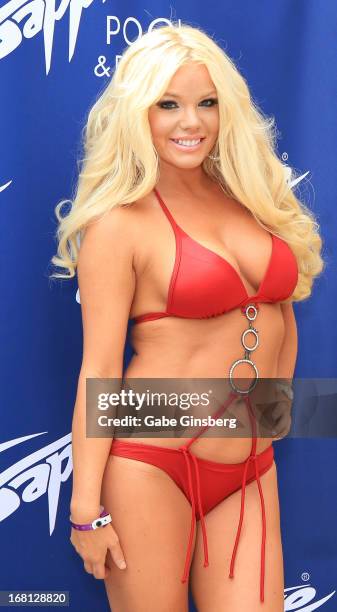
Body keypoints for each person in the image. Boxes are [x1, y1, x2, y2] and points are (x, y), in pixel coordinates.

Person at [50, 23, 324, 612]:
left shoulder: (252, 199)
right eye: (167, 105)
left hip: (250, 467)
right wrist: (84, 511)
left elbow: (279, 310)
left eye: (206, 103)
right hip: (153, 462)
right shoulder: (118, 224)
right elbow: (98, 370)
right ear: (138, 115)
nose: (190, 122)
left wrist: (270, 417)